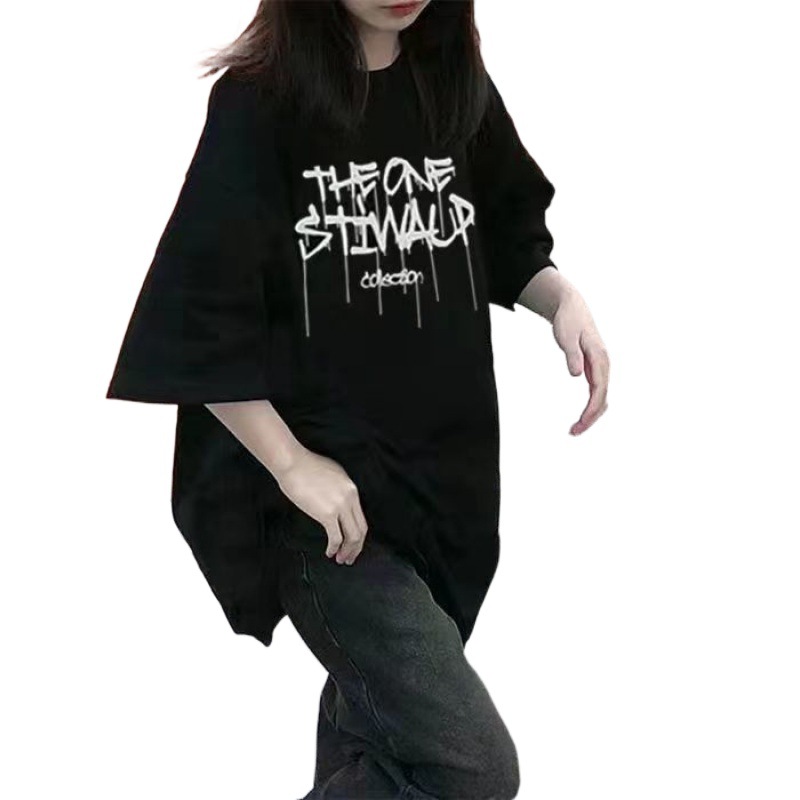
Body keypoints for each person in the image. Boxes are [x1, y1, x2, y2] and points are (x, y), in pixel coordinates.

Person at [106, 1, 610, 797]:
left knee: (376, 750)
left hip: (446, 489)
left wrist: (561, 300)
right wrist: (291, 465)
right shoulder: (261, 103)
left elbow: (504, 226)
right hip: (329, 521)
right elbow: (200, 306)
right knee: (470, 766)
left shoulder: (451, 81)